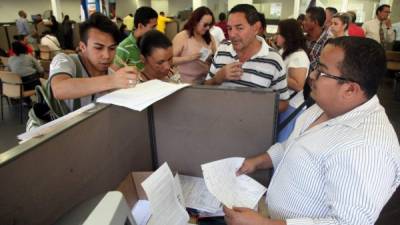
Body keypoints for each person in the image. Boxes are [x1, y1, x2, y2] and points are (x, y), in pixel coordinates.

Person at [224, 37, 400, 225]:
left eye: (322, 72)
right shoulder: (324, 106)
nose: (312, 76)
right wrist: (257, 162)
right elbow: (294, 144)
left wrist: (262, 224)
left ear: (350, 89)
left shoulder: (366, 149)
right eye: (316, 67)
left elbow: (347, 223)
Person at [205, 4, 289, 113]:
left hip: (250, 126)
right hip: (219, 121)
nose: (232, 34)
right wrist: (218, 78)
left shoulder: (274, 59)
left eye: (239, 28)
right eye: (229, 28)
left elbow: (283, 103)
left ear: (256, 28)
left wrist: (254, 105)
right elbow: (206, 87)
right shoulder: (223, 49)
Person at [49, 13, 138, 112]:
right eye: (98, 48)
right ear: (83, 47)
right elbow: (59, 89)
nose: (107, 55)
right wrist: (111, 81)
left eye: (112, 48)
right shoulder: (65, 60)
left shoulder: (112, 76)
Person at [275, 19, 310, 142]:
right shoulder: (284, 51)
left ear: (287, 36)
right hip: (282, 103)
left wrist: (276, 74)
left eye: (279, 33)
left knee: (283, 142)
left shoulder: (299, 56)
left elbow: (298, 85)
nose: (276, 36)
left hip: (292, 106)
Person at [172, 6, 217, 84]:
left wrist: (211, 59)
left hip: (205, 82)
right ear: (195, 22)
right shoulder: (182, 37)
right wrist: (190, 58)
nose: (207, 28)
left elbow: (216, 59)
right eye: (205, 25)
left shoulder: (210, 38)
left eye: (210, 25)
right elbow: (169, 61)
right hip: (185, 83)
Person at [112, 7, 158, 71]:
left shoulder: (150, 43)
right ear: (140, 26)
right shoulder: (124, 47)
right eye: (153, 27)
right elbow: (114, 74)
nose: (155, 30)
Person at [303, 6, 330, 72]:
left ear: (315, 22)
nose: (303, 22)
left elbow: (322, 70)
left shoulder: (328, 43)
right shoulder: (302, 39)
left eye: (306, 20)